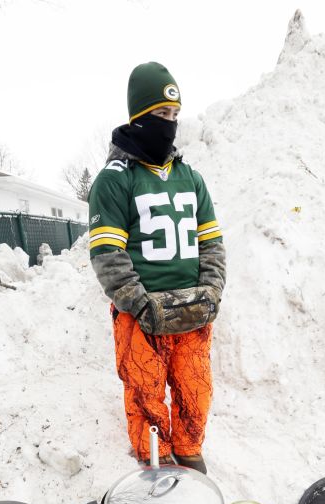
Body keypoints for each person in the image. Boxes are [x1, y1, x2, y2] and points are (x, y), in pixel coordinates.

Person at [88, 61, 226, 474]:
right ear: (138, 117)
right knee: (145, 392)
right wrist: (137, 303)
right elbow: (108, 255)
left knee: (194, 390)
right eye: (160, 115)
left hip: (191, 311)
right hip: (141, 318)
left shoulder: (191, 178)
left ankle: (187, 450)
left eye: (174, 116)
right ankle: (157, 462)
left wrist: (212, 290)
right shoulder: (115, 180)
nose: (169, 124)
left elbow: (212, 243)